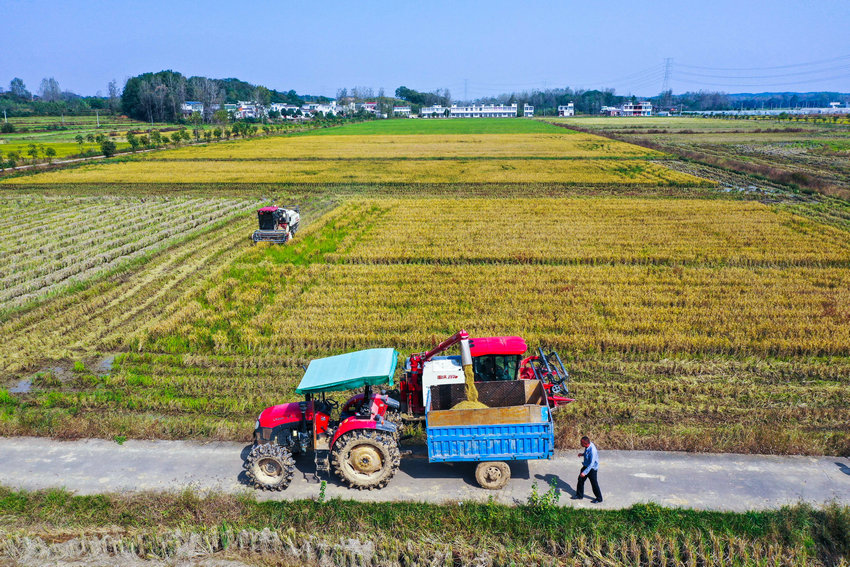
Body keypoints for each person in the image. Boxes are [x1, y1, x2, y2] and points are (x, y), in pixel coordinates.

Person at [572, 436, 602, 503]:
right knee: (580, 480)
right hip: (586, 465)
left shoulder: (593, 450)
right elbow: (587, 453)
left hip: (592, 469)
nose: (580, 444)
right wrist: (582, 454)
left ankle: (599, 498)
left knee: (594, 484)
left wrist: (584, 473)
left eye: (581, 443)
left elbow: (591, 464)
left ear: (585, 443)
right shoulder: (587, 446)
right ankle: (579, 495)